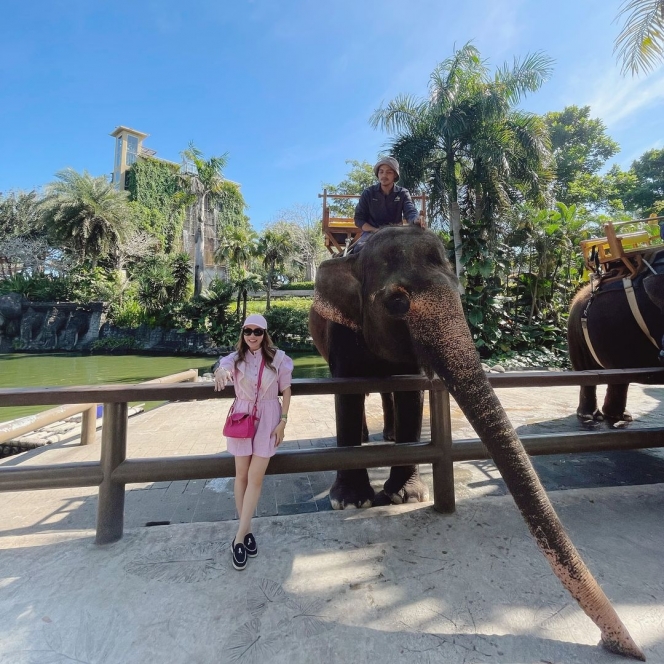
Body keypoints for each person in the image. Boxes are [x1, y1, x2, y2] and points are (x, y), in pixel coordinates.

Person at [213, 314, 293, 571]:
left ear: (265, 334)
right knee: (241, 477)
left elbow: (287, 390)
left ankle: (238, 538)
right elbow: (222, 367)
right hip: (242, 417)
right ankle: (246, 532)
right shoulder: (235, 358)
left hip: (269, 419)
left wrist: (283, 421)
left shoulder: (279, 359)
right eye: (247, 331)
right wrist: (219, 372)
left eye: (257, 331)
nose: (252, 336)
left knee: (255, 478)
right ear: (243, 333)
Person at [353, 156, 424, 252]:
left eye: (389, 172)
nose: (384, 175)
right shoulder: (368, 193)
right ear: (377, 174)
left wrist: (416, 220)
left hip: (395, 233)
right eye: (381, 172)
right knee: (359, 250)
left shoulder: (402, 193)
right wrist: (376, 231)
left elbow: (410, 211)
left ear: (395, 175)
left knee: (411, 253)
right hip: (371, 233)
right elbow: (359, 219)